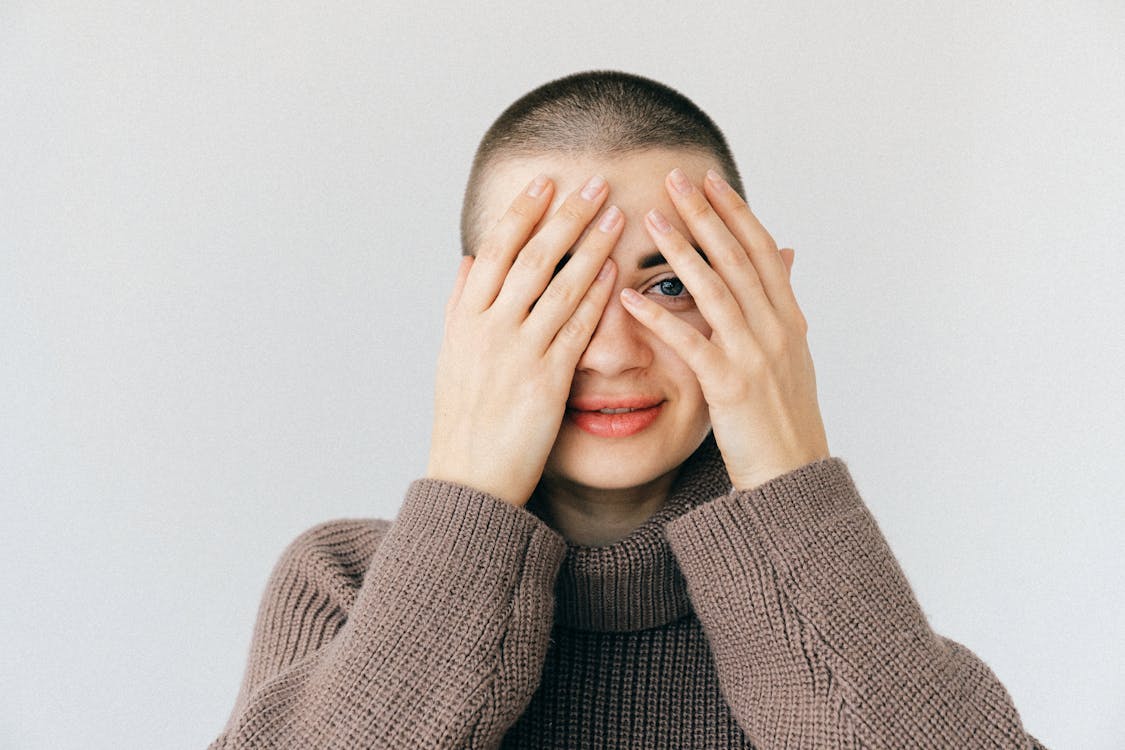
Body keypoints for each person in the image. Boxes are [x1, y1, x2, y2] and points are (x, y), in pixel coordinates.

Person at [209, 71, 1046, 749]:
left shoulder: (846, 599)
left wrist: (791, 476)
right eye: (554, 285)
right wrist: (466, 489)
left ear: (759, 300)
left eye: (671, 283)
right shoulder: (346, 586)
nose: (612, 351)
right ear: (473, 318)